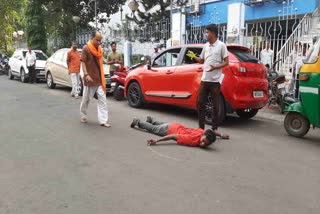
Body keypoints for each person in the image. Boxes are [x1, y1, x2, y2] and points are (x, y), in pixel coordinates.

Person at [188, 24, 229, 132]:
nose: (206, 34)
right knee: (200, 103)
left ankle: (214, 129)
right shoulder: (206, 46)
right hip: (204, 80)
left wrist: (216, 67)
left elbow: (226, 62)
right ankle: (201, 128)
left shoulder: (221, 45)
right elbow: (201, 60)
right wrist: (193, 56)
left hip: (215, 81)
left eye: (207, 32)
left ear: (213, 33)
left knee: (215, 106)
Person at [130, 116, 229, 148]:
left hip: (176, 125)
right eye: (203, 141)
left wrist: (221, 135)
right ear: (203, 135)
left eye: (205, 144)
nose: (202, 144)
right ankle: (137, 121)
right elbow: (173, 136)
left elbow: (210, 131)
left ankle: (151, 119)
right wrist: (157, 141)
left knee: (161, 124)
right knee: (153, 129)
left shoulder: (203, 132)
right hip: (169, 130)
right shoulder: (192, 140)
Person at [80, 31, 111, 127]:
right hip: (89, 79)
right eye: (97, 40)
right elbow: (83, 62)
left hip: (99, 79)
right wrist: (86, 74)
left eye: (100, 40)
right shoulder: (86, 48)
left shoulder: (100, 50)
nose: (99, 42)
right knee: (86, 100)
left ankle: (103, 120)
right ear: (92, 38)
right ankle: (83, 114)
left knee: (102, 99)